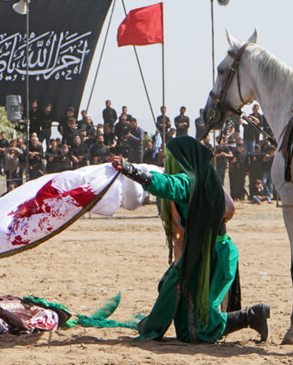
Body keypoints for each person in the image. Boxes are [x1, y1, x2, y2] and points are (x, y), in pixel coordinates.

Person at [112, 136, 269, 343]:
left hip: (209, 257)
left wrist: (129, 169)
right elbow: (230, 209)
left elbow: (164, 184)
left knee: (197, 330)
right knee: (184, 318)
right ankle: (247, 316)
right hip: (222, 250)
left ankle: (251, 315)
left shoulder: (189, 182)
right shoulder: (210, 179)